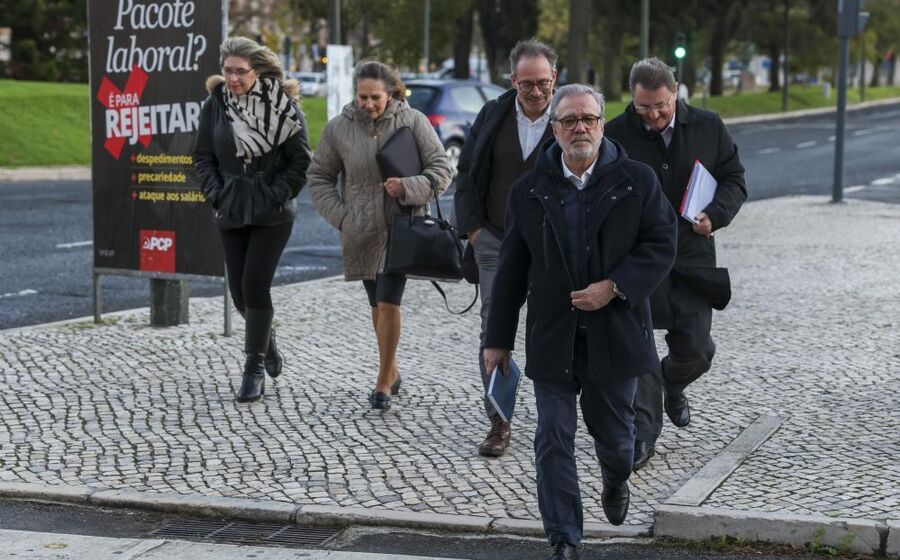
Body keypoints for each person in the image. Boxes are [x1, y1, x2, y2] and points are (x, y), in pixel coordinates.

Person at [483, 84, 676, 559]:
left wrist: (613, 287)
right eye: (569, 121)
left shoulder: (637, 179)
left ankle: (617, 476)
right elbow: (510, 269)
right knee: (553, 437)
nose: (580, 128)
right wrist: (497, 340)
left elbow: (661, 244)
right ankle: (564, 538)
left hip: (616, 331)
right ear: (554, 129)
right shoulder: (528, 189)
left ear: (602, 123)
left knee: (615, 438)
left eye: (588, 118)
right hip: (553, 335)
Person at [605, 58, 747, 470]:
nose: (652, 116)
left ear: (676, 93)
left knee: (697, 350)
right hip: (639, 260)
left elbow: (735, 178)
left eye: (660, 106)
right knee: (641, 352)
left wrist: (715, 215)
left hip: (692, 258)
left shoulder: (708, 125)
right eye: (643, 108)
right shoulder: (614, 134)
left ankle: (674, 383)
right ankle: (642, 438)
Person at [307, 61, 453, 411]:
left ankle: (383, 381)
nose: (369, 104)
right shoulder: (339, 128)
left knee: (389, 302)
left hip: (400, 228)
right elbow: (319, 176)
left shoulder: (413, 121)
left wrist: (407, 187)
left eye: (376, 97)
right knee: (376, 306)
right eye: (362, 97)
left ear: (392, 94)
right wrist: (342, 217)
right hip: (360, 232)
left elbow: (442, 170)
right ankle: (393, 368)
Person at [193, 36, 311, 403]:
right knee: (239, 293)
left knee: (256, 286)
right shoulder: (215, 105)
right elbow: (202, 157)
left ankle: (253, 368)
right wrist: (217, 192)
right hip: (230, 205)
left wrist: (275, 193)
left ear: (257, 71)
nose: (232, 78)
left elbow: (300, 161)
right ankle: (266, 341)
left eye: (240, 72)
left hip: (272, 211)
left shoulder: (284, 107)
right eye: (227, 71)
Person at [454, 39, 557, 457]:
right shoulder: (493, 114)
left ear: (555, 79)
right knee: (494, 330)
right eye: (527, 83)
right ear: (513, 80)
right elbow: (467, 173)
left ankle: (559, 413)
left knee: (553, 327)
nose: (536, 92)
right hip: (495, 238)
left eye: (544, 83)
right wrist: (474, 230)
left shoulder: (570, 117)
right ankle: (499, 420)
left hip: (553, 246)